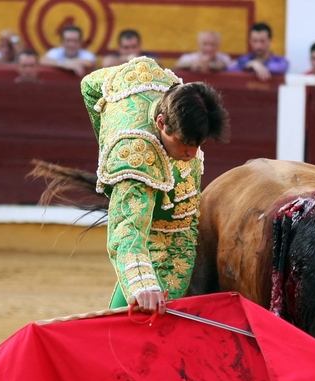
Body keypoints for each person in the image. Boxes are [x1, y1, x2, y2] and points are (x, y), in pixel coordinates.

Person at [80, 57, 229, 314]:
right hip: (163, 241)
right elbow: (127, 232)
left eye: (198, 144)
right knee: (137, 328)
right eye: (184, 143)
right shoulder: (134, 158)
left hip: (179, 216)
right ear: (161, 123)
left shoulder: (164, 85)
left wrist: (105, 142)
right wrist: (142, 284)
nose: (192, 153)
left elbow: (89, 84)